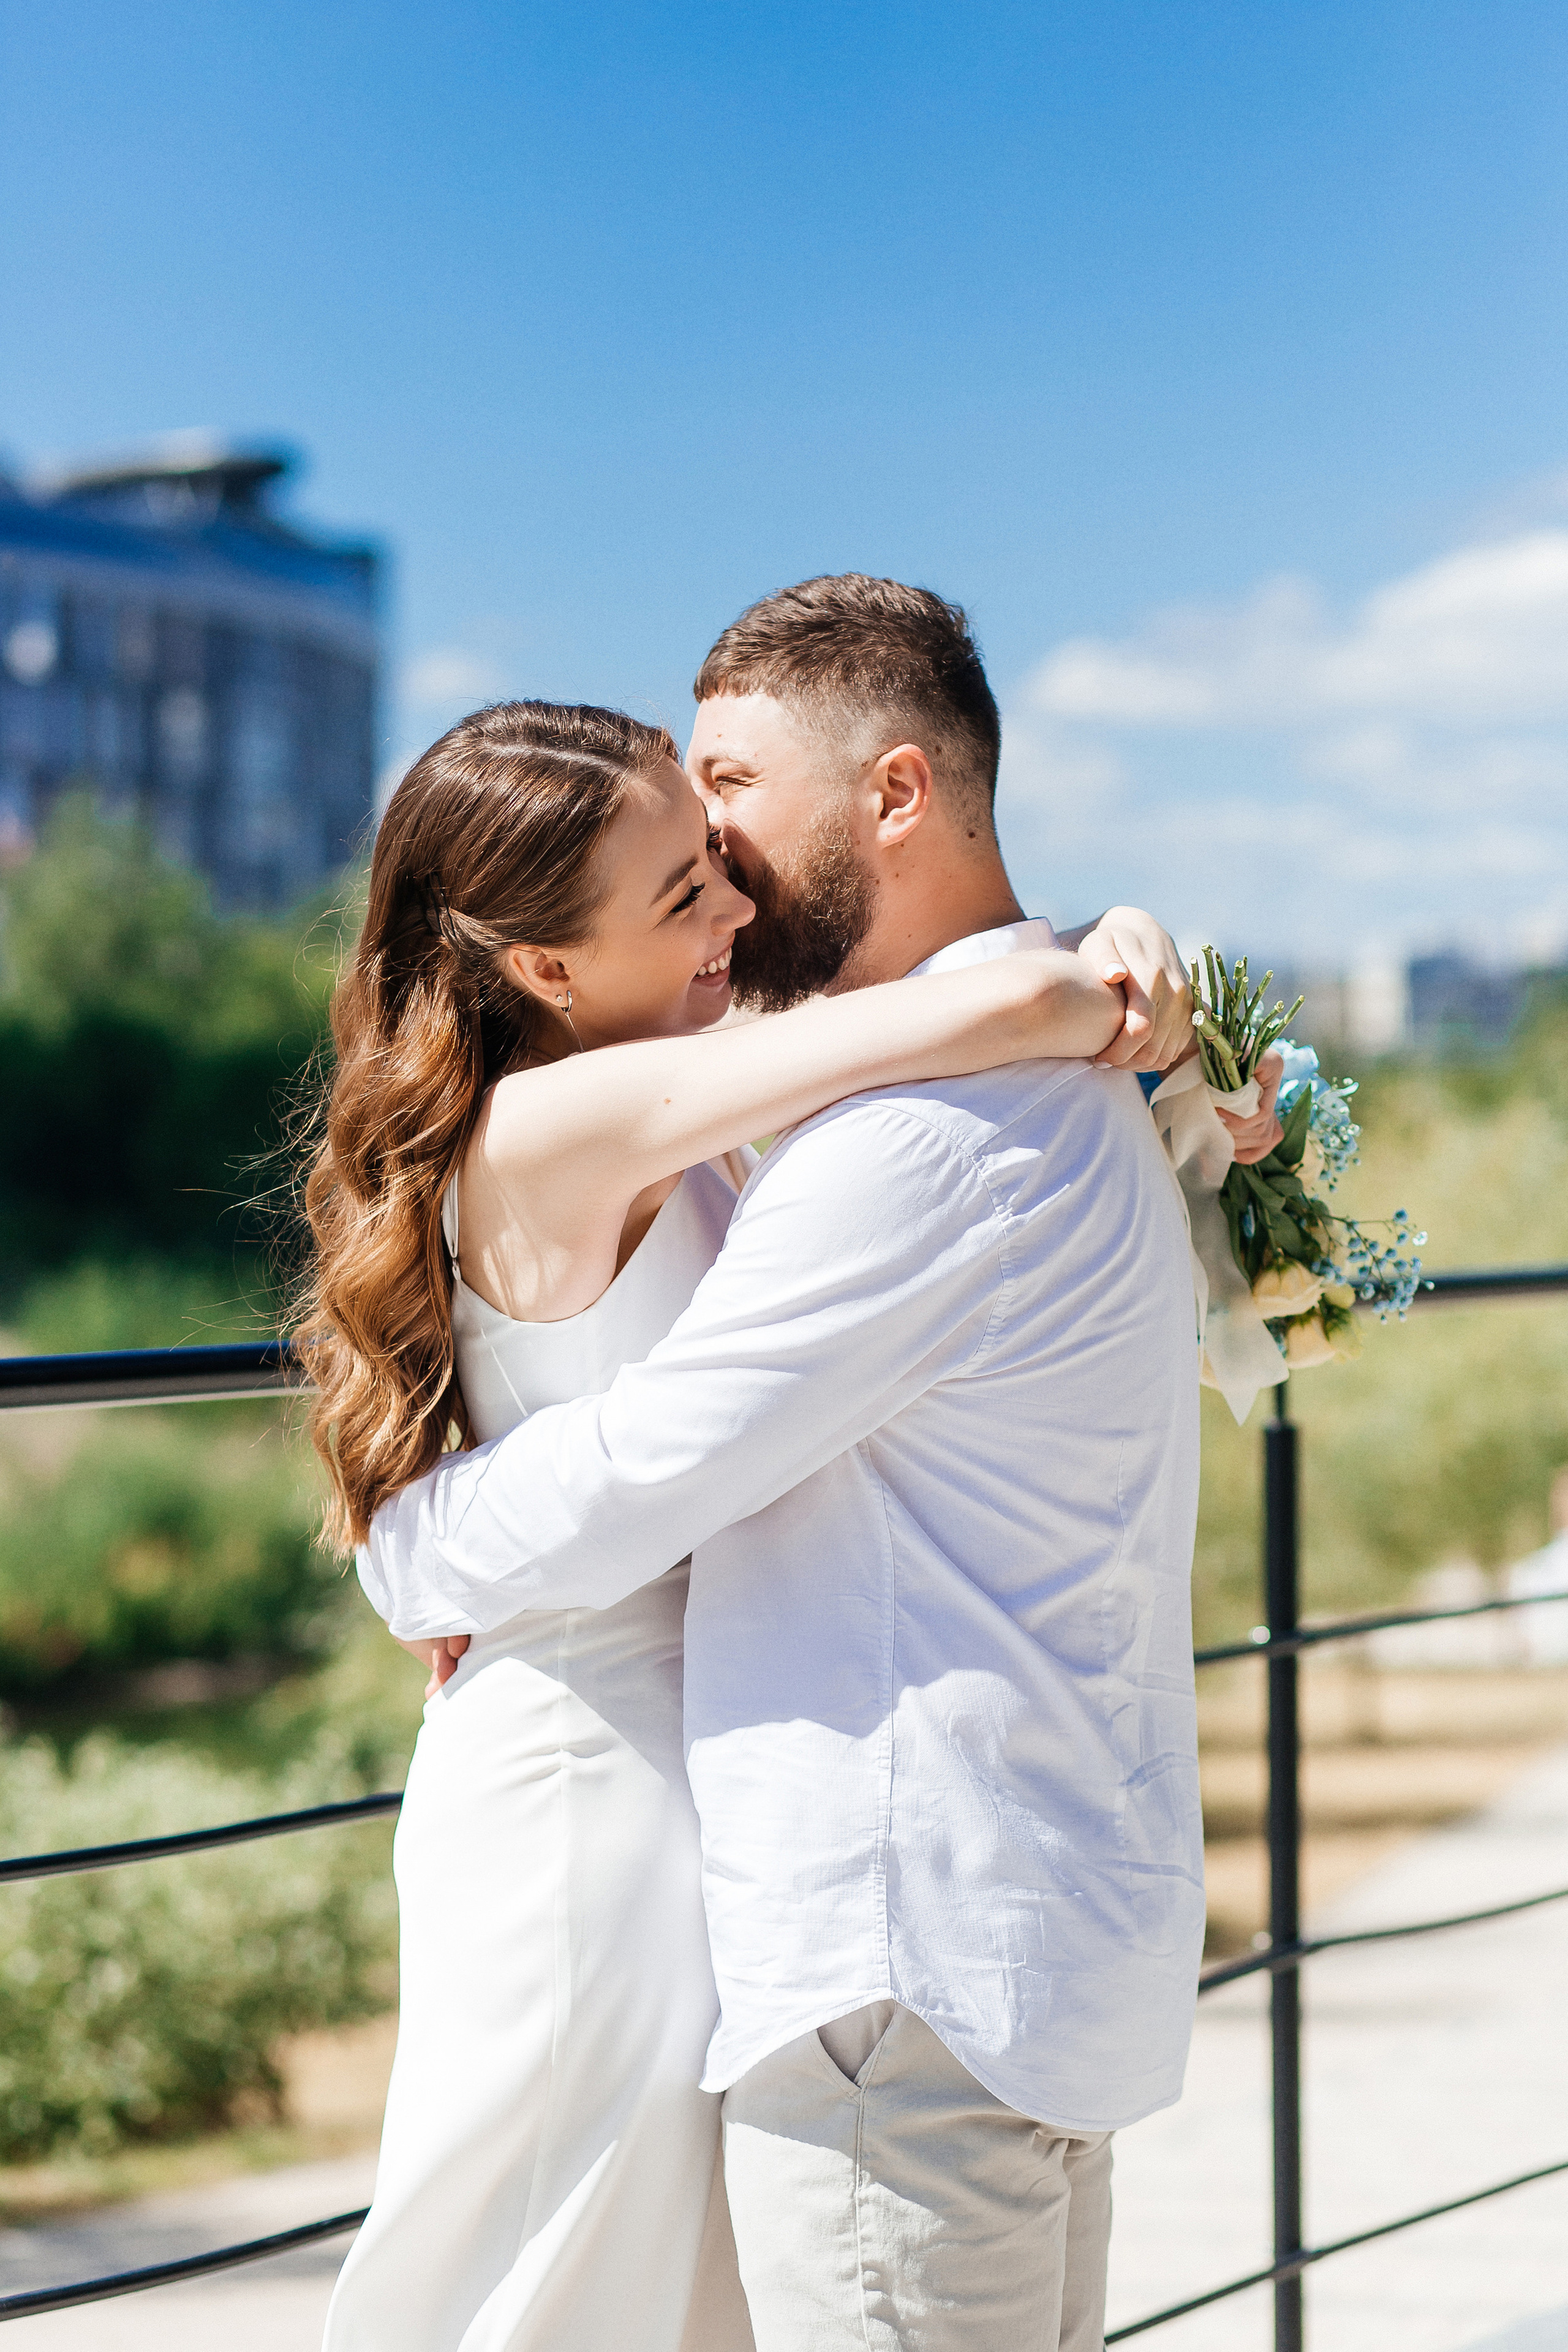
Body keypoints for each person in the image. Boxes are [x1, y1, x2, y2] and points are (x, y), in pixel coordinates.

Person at [360, 579, 1284, 2352]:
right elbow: (656, 1440)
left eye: (728, 804)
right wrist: (1073, 972)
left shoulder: (872, 1122)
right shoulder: (666, 1099)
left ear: (895, 797)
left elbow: (664, 1442)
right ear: (542, 961)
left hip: (860, 1916)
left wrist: (1100, 971)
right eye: (678, 856)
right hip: (621, 1792)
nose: (716, 860)